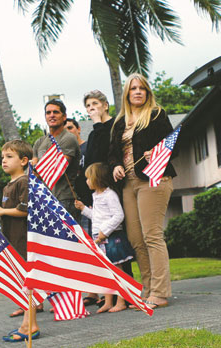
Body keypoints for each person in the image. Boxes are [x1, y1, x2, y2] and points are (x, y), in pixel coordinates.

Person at [108, 73, 176, 310]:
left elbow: (173, 144)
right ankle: (148, 290)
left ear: (147, 92)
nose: (137, 92)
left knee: (152, 235)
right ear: (127, 93)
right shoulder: (119, 122)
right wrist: (116, 165)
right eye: (133, 88)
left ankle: (160, 291)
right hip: (129, 183)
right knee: (136, 239)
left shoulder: (156, 115)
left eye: (142, 88)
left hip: (154, 179)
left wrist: (157, 152)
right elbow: (113, 153)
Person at [0, 140, 41, 342]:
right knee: (23, 283)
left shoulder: (24, 182)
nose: (4, 161)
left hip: (24, 240)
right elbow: (10, 211)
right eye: (2, 157)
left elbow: (24, 209)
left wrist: (2, 210)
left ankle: (31, 325)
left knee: (28, 284)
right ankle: (26, 323)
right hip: (12, 240)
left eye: (9, 157)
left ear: (24, 160)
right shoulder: (8, 186)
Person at [74, 162, 134, 313]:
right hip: (100, 238)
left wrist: (104, 232)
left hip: (111, 237)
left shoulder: (110, 195)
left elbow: (118, 215)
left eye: (89, 178)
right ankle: (108, 301)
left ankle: (121, 301)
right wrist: (83, 209)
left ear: (98, 179)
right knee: (106, 270)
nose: (86, 181)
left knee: (117, 269)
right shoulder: (96, 196)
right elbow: (97, 216)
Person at [78, 90, 116, 307]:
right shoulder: (94, 133)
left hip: (112, 189)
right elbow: (91, 161)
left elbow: (104, 154)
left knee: (117, 246)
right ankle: (107, 294)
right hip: (96, 195)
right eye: (88, 106)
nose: (91, 108)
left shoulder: (112, 126)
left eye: (95, 104)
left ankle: (122, 293)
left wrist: (99, 123)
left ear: (105, 105)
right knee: (103, 250)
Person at [32, 99, 81, 221]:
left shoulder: (69, 138)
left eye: (56, 112)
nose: (52, 115)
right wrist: (36, 169)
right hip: (44, 199)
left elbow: (57, 169)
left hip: (65, 199)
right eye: (48, 113)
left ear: (64, 117)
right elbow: (34, 174)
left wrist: (37, 168)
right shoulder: (39, 142)